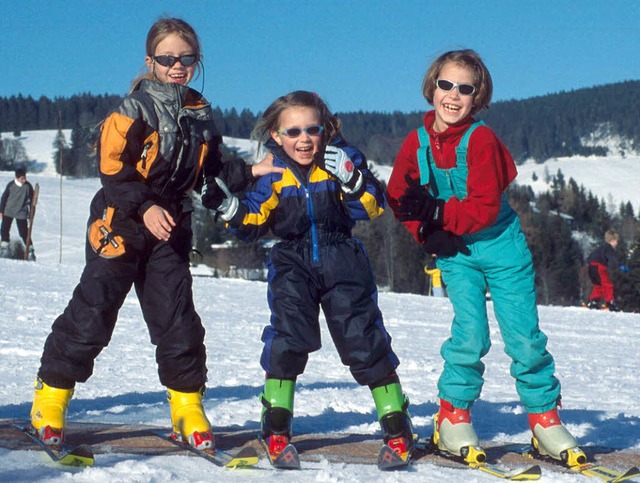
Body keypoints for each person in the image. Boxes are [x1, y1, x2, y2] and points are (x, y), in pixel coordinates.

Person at [29, 17, 275, 451]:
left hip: (169, 226)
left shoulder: (200, 113)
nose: (177, 66)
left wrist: (249, 172)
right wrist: (144, 206)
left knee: (176, 317)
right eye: (168, 59)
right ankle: (51, 396)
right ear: (151, 61)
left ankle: (186, 405)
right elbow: (112, 169)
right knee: (95, 307)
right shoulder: (133, 110)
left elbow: (210, 170)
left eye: (186, 58)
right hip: (121, 220)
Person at [386, 49, 585, 465]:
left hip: (501, 247)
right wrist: (424, 231)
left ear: (478, 97)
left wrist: (437, 214)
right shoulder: (415, 142)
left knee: (524, 336)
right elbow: (399, 197)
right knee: (470, 333)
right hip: (456, 253)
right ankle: (451, 415)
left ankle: (544, 420)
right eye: (446, 85)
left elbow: (483, 208)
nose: (453, 96)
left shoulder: (483, 140)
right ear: (432, 87)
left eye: (465, 88)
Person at [214, 91, 414, 460]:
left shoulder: (342, 158)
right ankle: (275, 421)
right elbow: (255, 220)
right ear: (276, 135)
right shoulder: (272, 170)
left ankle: (395, 418)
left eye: (312, 130)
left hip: (342, 257)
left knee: (362, 336)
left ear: (324, 129)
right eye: (293, 132)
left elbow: (372, 205)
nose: (303, 139)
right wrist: (229, 208)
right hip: (292, 260)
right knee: (289, 336)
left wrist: (353, 181)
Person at [585, 229, 628, 312]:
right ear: (612, 240)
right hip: (599, 267)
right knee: (608, 285)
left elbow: (589, 257)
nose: (617, 243)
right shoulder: (609, 248)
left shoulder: (600, 247)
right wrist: (621, 266)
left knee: (598, 285)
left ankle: (593, 301)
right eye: (616, 241)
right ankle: (610, 303)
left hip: (591, 267)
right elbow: (613, 258)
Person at [0, 167, 35, 260]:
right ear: (17, 178)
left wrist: (31, 212)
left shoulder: (28, 186)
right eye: (22, 178)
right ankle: (4, 247)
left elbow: (32, 200)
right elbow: (4, 198)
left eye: (25, 178)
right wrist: (1, 210)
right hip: (9, 210)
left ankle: (30, 249)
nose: (24, 180)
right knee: (4, 228)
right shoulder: (11, 185)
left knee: (23, 231)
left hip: (21, 211)